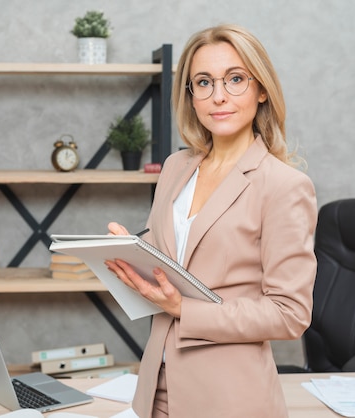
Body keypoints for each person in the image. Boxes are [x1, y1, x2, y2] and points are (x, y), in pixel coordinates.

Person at [105, 24, 317, 417]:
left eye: (235, 79)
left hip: (228, 399)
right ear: (190, 94)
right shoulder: (175, 167)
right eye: (203, 82)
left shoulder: (285, 186)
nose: (218, 96)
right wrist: (127, 257)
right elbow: (169, 266)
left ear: (262, 89)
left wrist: (183, 308)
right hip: (154, 391)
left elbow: (290, 314)